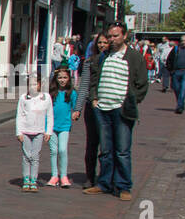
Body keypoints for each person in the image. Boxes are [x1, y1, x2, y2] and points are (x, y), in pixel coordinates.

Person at [83, 21, 147, 201]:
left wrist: (131, 102)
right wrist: (94, 99)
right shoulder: (103, 57)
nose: (112, 39)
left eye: (115, 36)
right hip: (102, 109)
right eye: (109, 36)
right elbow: (94, 80)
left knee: (122, 150)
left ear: (124, 36)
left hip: (121, 110)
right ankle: (104, 183)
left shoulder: (134, 57)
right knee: (105, 149)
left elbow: (142, 83)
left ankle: (123, 186)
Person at [76, 32, 109, 188]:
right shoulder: (89, 62)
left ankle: (105, 178)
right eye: (99, 43)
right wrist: (78, 108)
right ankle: (90, 177)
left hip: (108, 106)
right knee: (91, 143)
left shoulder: (113, 61)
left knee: (107, 144)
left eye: (105, 42)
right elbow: (84, 86)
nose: (102, 45)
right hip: (91, 106)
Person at [15, 73, 54, 192]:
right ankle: (26, 180)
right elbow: (20, 115)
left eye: (35, 83)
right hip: (26, 131)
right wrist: (19, 132)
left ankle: (33, 180)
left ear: (40, 84)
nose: (32, 86)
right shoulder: (23, 98)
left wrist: (48, 131)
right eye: (30, 84)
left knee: (35, 156)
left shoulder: (46, 97)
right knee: (26, 156)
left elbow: (49, 115)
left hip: (39, 131)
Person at [47, 66, 77, 188]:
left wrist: (76, 113)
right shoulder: (51, 93)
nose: (62, 80)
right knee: (53, 151)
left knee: (62, 150)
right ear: (56, 78)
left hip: (65, 126)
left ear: (69, 78)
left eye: (65, 77)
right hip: (51, 126)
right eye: (60, 77)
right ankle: (54, 175)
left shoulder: (72, 93)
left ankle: (63, 176)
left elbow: (76, 107)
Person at [165, 33, 185, 114]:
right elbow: (169, 60)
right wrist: (170, 70)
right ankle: (181, 103)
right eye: (182, 41)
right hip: (176, 71)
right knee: (176, 89)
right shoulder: (176, 49)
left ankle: (179, 107)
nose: (183, 42)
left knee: (183, 89)